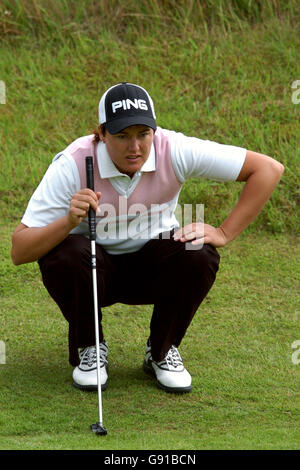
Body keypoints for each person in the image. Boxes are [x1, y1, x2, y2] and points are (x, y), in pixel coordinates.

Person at [11, 82, 284, 393]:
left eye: (143, 134)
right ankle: (90, 348)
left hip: (154, 267)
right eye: (122, 135)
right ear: (101, 133)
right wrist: (68, 221)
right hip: (92, 272)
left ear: (155, 130)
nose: (135, 147)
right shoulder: (73, 162)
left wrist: (224, 232)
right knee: (66, 253)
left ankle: (162, 350)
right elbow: (20, 250)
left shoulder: (174, 149)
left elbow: (268, 169)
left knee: (198, 252)